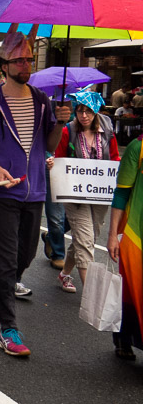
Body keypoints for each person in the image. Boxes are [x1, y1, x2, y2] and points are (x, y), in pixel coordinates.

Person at [0, 27, 70, 357]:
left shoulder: (42, 101)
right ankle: (9, 330)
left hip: (34, 190)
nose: (27, 65)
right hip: (3, 193)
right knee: (8, 260)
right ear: (4, 64)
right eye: (20, 60)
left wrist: (59, 124)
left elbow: (49, 145)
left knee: (27, 256)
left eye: (29, 58)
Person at [53, 90, 120, 293]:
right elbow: (58, 157)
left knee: (89, 237)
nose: (83, 116)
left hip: (100, 193)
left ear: (96, 111)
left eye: (88, 112)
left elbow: (115, 157)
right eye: (80, 111)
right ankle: (92, 295)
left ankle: (65, 273)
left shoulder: (107, 130)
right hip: (74, 194)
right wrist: (51, 163)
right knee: (84, 239)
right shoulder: (68, 131)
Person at [108, 131, 143, 360]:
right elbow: (121, 192)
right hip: (135, 234)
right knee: (132, 291)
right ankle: (123, 338)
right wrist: (112, 234)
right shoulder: (136, 147)